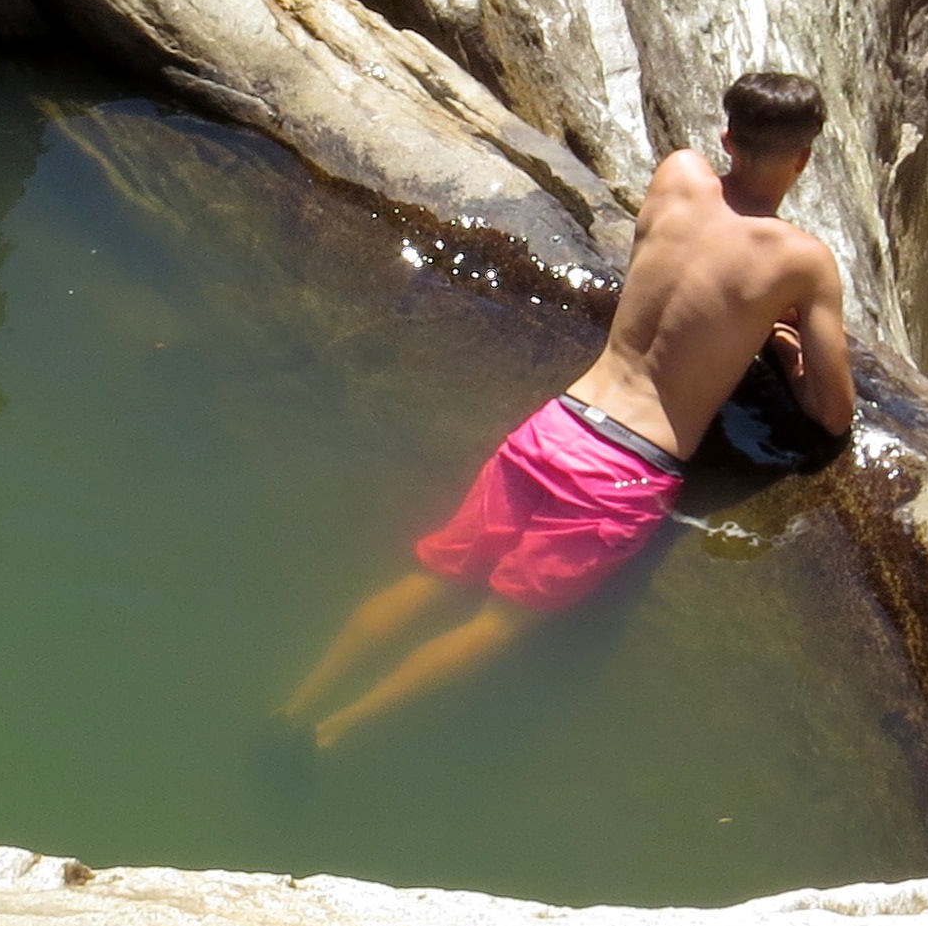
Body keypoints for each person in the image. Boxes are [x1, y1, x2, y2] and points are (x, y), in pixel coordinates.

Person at [285, 69, 856, 748]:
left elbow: (688, 271)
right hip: (624, 473)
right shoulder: (800, 260)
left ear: (727, 137)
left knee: (432, 577)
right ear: (806, 158)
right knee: (497, 623)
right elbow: (832, 412)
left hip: (557, 425)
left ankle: (293, 708)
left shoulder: (676, 175)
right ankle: (334, 735)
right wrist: (784, 343)